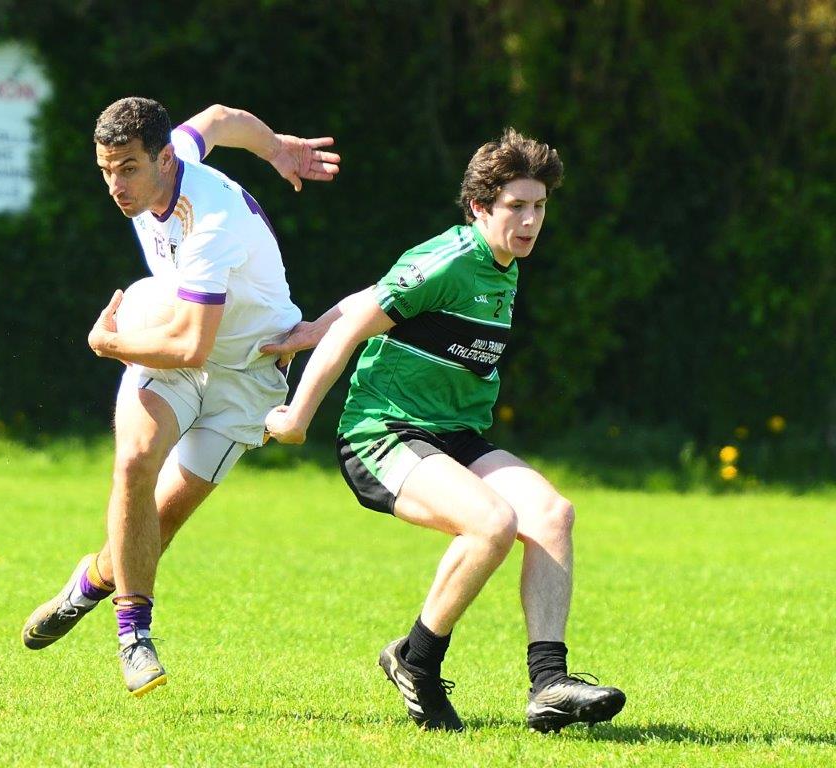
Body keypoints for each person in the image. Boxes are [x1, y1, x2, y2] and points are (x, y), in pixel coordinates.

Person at [264, 128, 625, 732]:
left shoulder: (502, 263)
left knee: (552, 515)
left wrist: (307, 329)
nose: (531, 220)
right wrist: (297, 415)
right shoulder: (453, 258)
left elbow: (377, 294)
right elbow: (357, 325)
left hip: (454, 432)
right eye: (516, 206)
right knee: (492, 523)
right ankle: (418, 663)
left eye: (539, 206)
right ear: (480, 206)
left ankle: (549, 684)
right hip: (384, 431)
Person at [21, 98, 340, 697]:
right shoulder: (172, 160)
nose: (116, 186)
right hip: (170, 332)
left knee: (158, 521)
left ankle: (89, 584)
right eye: (106, 170)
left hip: (245, 371)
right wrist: (276, 147)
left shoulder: (208, 222)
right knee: (135, 463)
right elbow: (219, 118)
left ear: (164, 159)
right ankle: (133, 635)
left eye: (129, 169)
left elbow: (194, 347)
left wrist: (111, 345)